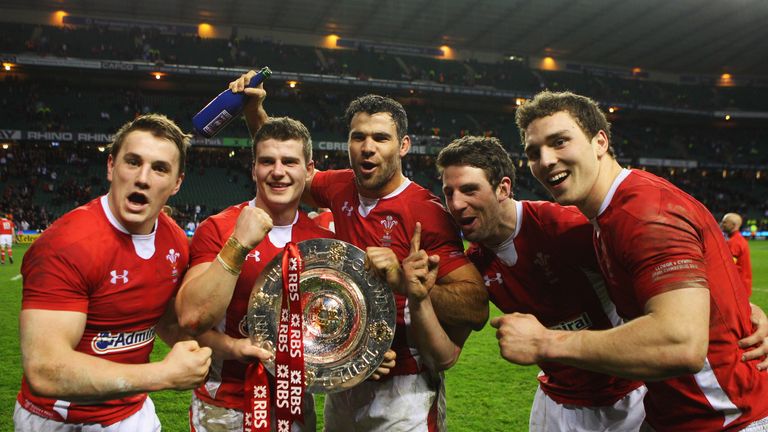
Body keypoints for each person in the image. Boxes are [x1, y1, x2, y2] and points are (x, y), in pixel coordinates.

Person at [497, 90, 768, 431]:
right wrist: (747, 312)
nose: (546, 160)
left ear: (599, 141)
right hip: (676, 414)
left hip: (726, 419)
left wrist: (545, 342)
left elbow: (681, 342)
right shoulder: (609, 216)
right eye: (534, 152)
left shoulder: (644, 214)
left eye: (560, 141)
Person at [233, 76, 488, 430]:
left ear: (403, 146)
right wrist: (253, 111)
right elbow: (284, 165)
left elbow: (476, 306)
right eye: (359, 137)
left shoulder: (426, 211)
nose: (368, 147)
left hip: (403, 390)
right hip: (343, 380)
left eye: (381, 138)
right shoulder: (339, 186)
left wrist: (408, 282)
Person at [15, 114, 212, 431]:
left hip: (131, 413)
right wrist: (163, 374)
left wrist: (229, 348)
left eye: (159, 168)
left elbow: (167, 320)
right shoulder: (65, 244)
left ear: (177, 183)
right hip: (58, 419)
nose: (143, 178)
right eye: (133, 162)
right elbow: (45, 369)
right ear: (111, 167)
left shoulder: (174, 240)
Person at [436, 135, 646, 431]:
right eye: (449, 192)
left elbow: (662, 288)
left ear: (503, 188)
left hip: (627, 401)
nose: (457, 204)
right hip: (555, 405)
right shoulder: (475, 264)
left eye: (470, 190)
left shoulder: (566, 228)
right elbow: (447, 354)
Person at [175, 117, 345, 431]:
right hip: (225, 405)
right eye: (267, 161)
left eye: (289, 162)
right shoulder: (219, 228)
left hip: (294, 405)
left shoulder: (323, 244)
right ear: (254, 168)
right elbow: (191, 318)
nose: (278, 171)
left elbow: (330, 324)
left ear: (308, 170)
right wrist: (232, 348)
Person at [721, 212, 752, 297]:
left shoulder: (734, 242)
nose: (721, 224)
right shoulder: (738, 239)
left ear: (733, 225)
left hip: (737, 286)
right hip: (741, 284)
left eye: (725, 222)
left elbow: (728, 264)